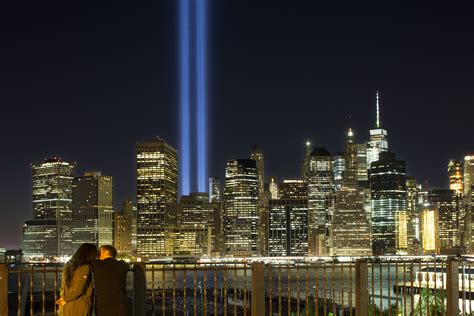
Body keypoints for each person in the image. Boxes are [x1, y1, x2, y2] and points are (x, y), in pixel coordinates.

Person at [56, 243, 98, 316]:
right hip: (78, 304)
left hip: (68, 303)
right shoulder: (85, 267)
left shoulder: (69, 265)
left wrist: (64, 298)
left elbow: (64, 284)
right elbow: (78, 289)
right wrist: (66, 299)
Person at [92, 245, 130, 315]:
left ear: (105, 252)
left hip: (103, 306)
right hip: (121, 305)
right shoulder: (122, 265)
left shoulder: (97, 265)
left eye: (99, 251)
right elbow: (126, 264)